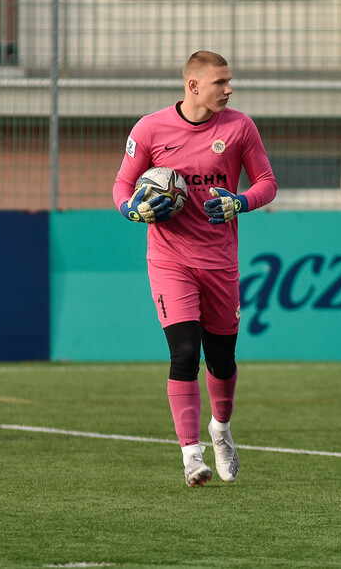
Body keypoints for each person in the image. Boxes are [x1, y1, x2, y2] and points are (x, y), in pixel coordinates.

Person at [114, 51, 277, 486]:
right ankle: (191, 455)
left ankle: (220, 430)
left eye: (229, 82)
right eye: (220, 82)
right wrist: (132, 210)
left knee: (221, 360)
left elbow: (267, 183)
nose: (228, 89)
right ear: (193, 86)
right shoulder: (150, 128)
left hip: (220, 262)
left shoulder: (240, 127)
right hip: (169, 259)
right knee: (185, 352)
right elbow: (122, 184)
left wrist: (239, 201)